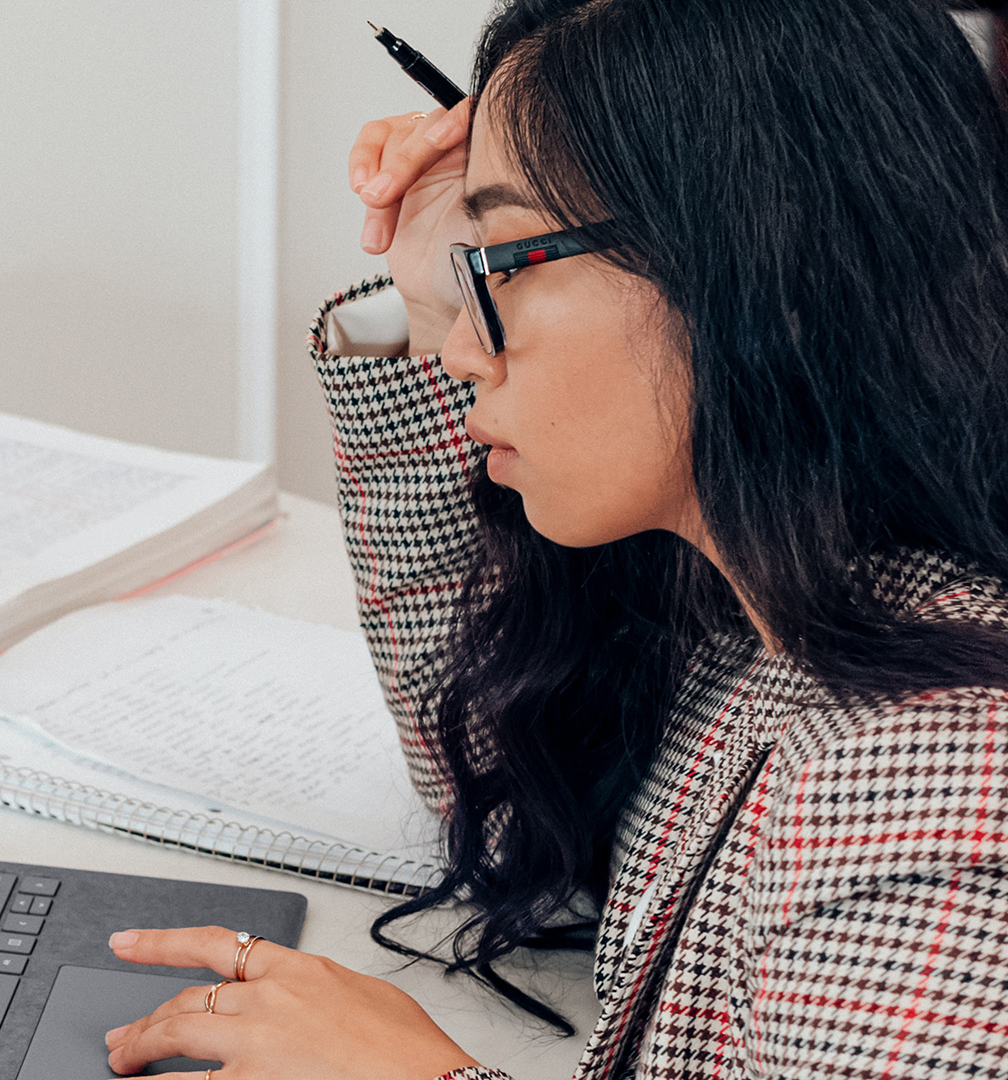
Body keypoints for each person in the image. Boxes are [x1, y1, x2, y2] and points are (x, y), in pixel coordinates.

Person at [100, 0, 1008, 1076]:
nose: (460, 356)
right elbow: (506, 801)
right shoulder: (770, 607)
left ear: (762, 264)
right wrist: (433, 296)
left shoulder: (936, 780)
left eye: (508, 260)